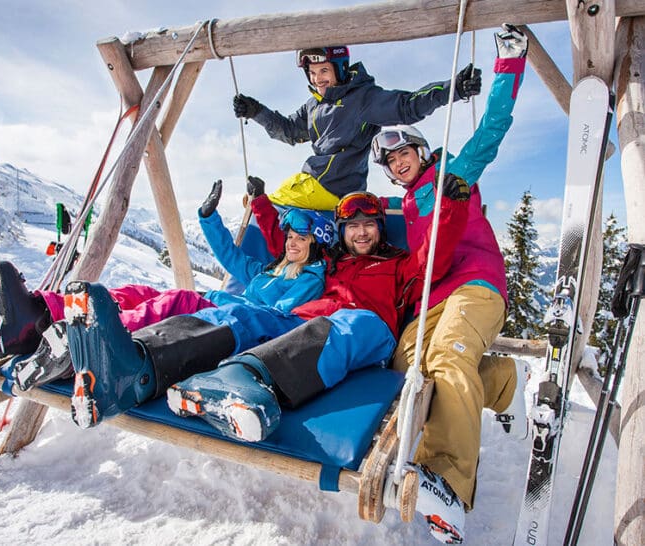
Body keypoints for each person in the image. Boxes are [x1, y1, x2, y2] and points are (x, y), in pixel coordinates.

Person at [166, 187, 468, 523]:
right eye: (353, 226)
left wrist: (452, 206)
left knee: (343, 325)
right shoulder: (330, 263)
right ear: (342, 231)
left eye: (369, 224)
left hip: (368, 329)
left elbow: (434, 259)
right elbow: (285, 241)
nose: (362, 231)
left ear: (380, 228)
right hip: (307, 321)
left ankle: (249, 377)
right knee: (253, 316)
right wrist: (262, 203)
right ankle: (157, 359)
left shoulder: (399, 264)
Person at [365, 24, 531, 543]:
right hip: (432, 299)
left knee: (448, 359)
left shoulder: (453, 173)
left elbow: (493, 128)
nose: (398, 160)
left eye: (402, 150)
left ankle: (448, 482)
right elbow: (356, 223)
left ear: (418, 147)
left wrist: (508, 64)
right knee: (405, 361)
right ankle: (503, 380)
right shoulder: (402, 205)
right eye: (389, 161)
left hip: (476, 284)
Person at [0, 180, 333, 397]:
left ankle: (98, 336)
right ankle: (38, 316)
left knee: (173, 301)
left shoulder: (309, 280)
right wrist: (208, 217)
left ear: (315, 245)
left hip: (224, 314)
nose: (292, 244)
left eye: (301, 239)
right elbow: (229, 255)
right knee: (139, 294)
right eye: (289, 238)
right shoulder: (267, 269)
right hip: (214, 302)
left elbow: (275, 316)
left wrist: (221, 300)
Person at [232, 46, 482, 209]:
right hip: (311, 183)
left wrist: (454, 89)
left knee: (261, 208)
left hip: (332, 187)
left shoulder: (361, 98)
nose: (318, 79)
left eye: (324, 71)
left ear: (339, 69)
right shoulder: (313, 106)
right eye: (312, 73)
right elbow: (289, 131)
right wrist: (257, 112)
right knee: (256, 207)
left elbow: (407, 106)